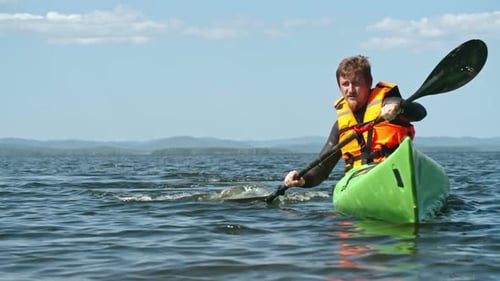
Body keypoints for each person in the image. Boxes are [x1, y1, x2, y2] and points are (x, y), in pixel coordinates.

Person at [284, 55, 427, 188]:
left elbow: (420, 112)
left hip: (395, 173)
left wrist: (400, 108)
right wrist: (303, 180)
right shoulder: (341, 126)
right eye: (345, 84)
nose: (350, 90)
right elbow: (322, 168)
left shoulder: (389, 104)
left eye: (356, 83)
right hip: (358, 182)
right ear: (339, 87)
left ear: (368, 83)